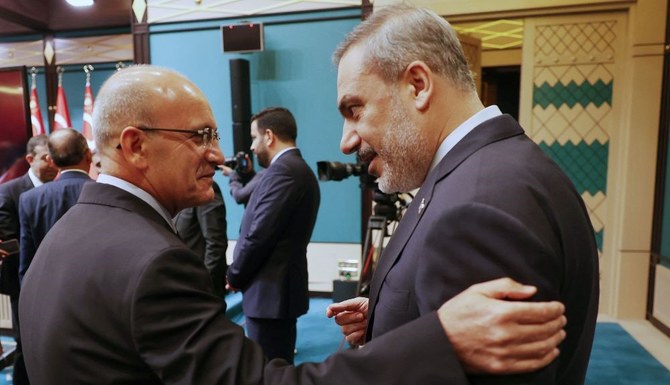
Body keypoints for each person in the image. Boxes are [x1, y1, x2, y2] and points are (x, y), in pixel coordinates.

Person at [20, 65, 567, 385]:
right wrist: (440, 338)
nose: (218, 155)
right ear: (136, 145)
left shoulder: (65, 234)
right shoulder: (152, 262)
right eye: (201, 136)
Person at [327, 4, 599, 384]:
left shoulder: (477, 207)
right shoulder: (503, 167)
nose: (346, 141)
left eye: (354, 109)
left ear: (418, 86)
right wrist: (389, 312)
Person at [226, 107, 320, 363]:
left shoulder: (284, 172)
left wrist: (235, 273)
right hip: (273, 292)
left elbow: (259, 236)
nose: (253, 148)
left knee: (268, 372)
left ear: (269, 136)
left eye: (254, 138)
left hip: (270, 293)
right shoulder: (293, 169)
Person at [0, 134, 57, 385]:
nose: (52, 163)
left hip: (57, 283)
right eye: (46, 158)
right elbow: (8, 240)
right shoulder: (9, 191)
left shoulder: (58, 189)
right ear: (30, 159)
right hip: (22, 284)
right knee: (26, 345)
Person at [18, 128, 93, 283]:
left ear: (51, 161)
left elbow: (27, 262)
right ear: (89, 155)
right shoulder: (108, 191)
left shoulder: (30, 200)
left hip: (47, 292)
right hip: (97, 293)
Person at [173, 181, 228, 298]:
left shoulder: (204, 187)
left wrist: (202, 284)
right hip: (178, 286)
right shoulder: (175, 190)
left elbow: (216, 243)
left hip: (201, 290)